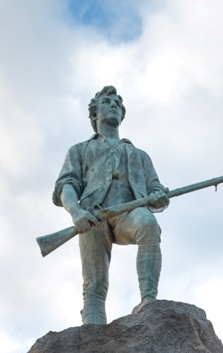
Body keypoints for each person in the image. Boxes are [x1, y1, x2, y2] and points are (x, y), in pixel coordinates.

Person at [53, 86, 169, 325]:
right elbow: (66, 185)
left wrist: (159, 196)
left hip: (128, 213)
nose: (114, 104)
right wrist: (77, 213)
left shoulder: (139, 155)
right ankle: (91, 337)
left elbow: (156, 190)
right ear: (94, 115)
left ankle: (149, 303)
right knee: (94, 286)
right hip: (92, 217)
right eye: (107, 101)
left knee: (148, 222)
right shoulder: (80, 150)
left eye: (117, 102)